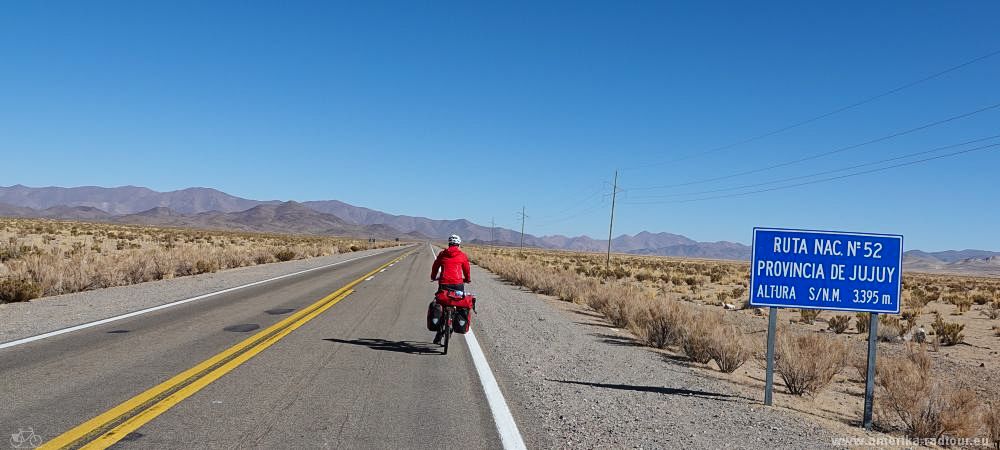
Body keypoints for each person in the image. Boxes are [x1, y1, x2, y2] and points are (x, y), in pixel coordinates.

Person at [430, 235, 471, 344]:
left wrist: (433, 277)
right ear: (458, 244)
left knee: (441, 304)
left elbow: (435, 266)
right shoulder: (462, 255)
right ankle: (455, 322)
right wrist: (467, 279)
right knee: (458, 303)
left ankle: (439, 333)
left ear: (449, 244)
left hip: (444, 284)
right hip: (458, 284)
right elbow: (466, 269)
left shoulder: (443, 254)